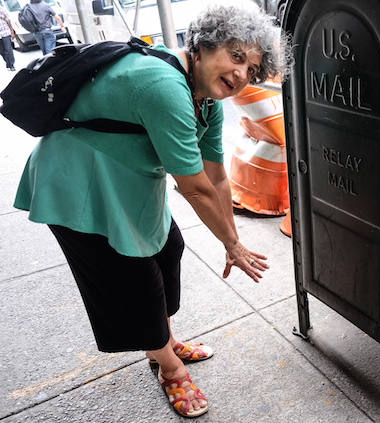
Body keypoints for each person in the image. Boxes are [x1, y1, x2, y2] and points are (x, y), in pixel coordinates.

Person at [13, 3, 292, 419]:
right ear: (204, 45)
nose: (240, 76)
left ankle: (159, 339)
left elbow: (217, 181)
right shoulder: (163, 85)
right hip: (77, 180)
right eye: (236, 57)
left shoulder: (207, 103)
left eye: (252, 72)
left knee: (168, 251)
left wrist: (232, 240)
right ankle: (169, 367)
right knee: (133, 281)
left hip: (126, 178)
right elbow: (195, 189)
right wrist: (232, 245)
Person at [0, 4, 15, 71]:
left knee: (8, 49)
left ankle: (11, 64)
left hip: (5, 32)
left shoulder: (1, 9)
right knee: (2, 51)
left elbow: (8, 21)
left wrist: (12, 31)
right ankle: (8, 62)